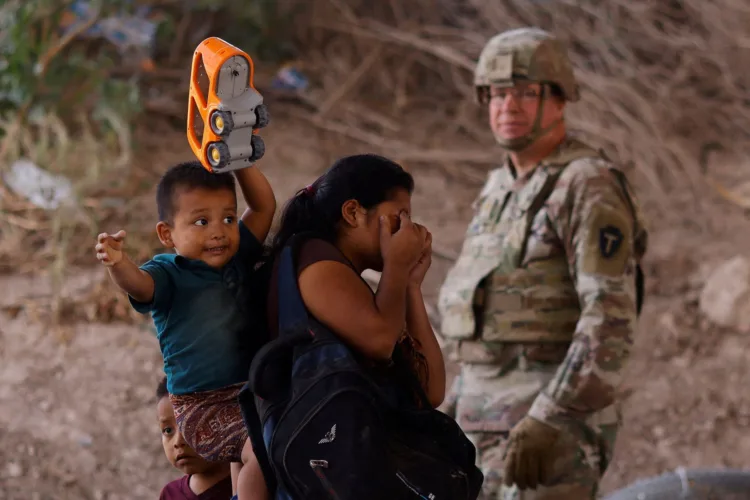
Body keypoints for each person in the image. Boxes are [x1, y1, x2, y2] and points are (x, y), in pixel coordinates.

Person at [437, 27, 648, 499]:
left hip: (546, 433)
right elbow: (484, 325)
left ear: (558, 99)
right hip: (479, 428)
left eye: (525, 92)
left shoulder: (586, 185)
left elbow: (609, 321)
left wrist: (549, 417)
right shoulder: (498, 188)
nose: (507, 105)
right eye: (496, 93)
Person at [95, 161, 275, 500]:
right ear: (167, 234)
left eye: (228, 218)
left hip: (245, 394)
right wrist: (119, 263)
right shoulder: (169, 272)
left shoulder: (237, 256)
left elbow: (264, 206)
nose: (218, 231)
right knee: (259, 449)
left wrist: (240, 163)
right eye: (202, 222)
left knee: (257, 447)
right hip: (201, 405)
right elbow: (140, 286)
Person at [266, 153, 446, 409]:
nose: (408, 229)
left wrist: (411, 285)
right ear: (353, 213)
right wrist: (397, 265)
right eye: (400, 216)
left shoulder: (342, 271)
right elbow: (381, 342)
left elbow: (430, 391)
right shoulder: (316, 262)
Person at [156, 377, 234, 500]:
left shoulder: (246, 482)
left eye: (192, 425)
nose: (178, 442)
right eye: (168, 430)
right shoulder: (169, 494)